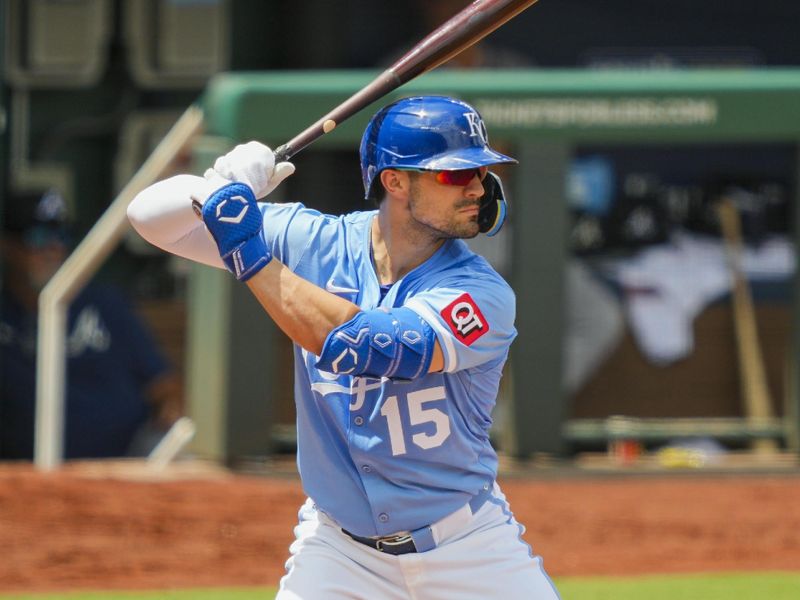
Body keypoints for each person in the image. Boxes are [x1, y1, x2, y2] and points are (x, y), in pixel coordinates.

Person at [127, 96, 560, 599]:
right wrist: (216, 189)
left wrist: (250, 254)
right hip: (339, 553)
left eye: (480, 172)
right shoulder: (315, 241)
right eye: (452, 174)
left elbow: (362, 347)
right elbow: (147, 218)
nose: (476, 187)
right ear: (395, 181)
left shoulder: (480, 293)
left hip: (469, 549)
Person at [0, 187, 183, 460]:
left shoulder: (105, 303)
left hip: (125, 463)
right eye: (38, 237)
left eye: (60, 236)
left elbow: (163, 384)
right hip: (26, 473)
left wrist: (172, 407)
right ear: (8, 246)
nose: (53, 248)